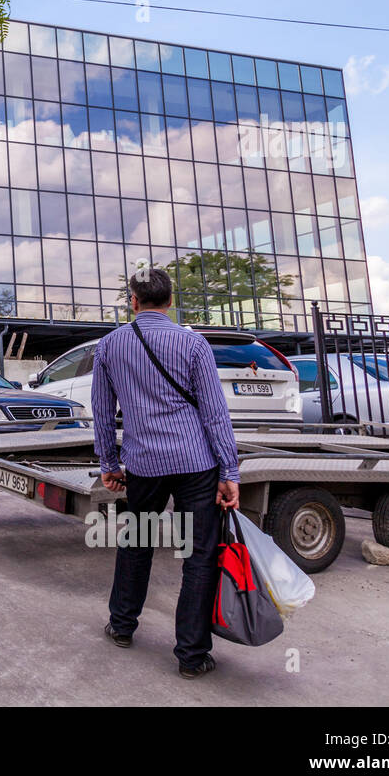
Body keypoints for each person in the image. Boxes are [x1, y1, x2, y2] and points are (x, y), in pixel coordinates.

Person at [90, 266, 240, 679]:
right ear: (171, 301)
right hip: (196, 464)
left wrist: (108, 464)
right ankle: (191, 656)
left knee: (137, 543)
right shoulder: (193, 344)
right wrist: (230, 471)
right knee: (199, 555)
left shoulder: (108, 347)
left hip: (143, 465)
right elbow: (214, 413)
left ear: (133, 302)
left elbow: (102, 414)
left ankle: (122, 626)